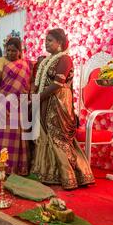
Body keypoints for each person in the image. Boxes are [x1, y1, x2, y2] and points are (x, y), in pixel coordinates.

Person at [31, 29, 94, 190]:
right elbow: (39, 81)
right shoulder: (47, 60)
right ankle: (49, 173)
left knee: (58, 137)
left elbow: (57, 84)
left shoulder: (65, 59)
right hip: (46, 99)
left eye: (50, 40)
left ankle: (70, 175)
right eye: (46, 40)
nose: (46, 42)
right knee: (46, 135)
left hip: (58, 101)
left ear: (60, 43)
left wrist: (38, 98)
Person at [0, 38, 31, 175]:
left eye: (14, 50)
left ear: (20, 51)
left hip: (20, 104)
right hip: (4, 103)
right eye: (8, 50)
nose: (10, 53)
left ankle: (18, 168)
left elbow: (29, 83)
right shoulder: (1, 61)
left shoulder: (25, 64)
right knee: (5, 136)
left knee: (19, 136)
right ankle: (4, 167)